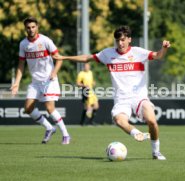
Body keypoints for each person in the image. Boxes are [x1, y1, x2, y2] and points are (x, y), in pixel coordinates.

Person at [60, 25, 170, 160]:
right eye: (117, 40)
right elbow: (86, 58)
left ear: (129, 39)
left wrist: (164, 48)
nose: (120, 43)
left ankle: (156, 152)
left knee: (152, 121)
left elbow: (158, 56)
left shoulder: (138, 52)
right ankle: (136, 133)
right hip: (121, 99)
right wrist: (64, 58)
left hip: (139, 97)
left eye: (123, 40)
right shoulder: (108, 54)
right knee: (119, 120)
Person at [10, 17, 70, 144]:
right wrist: (16, 82)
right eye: (28, 27)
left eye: (33, 27)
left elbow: (59, 58)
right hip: (35, 82)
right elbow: (21, 64)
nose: (31, 29)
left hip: (49, 80)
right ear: (25, 28)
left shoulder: (45, 40)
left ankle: (65, 135)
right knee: (27, 108)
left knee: (49, 108)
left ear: (37, 27)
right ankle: (49, 128)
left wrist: (54, 73)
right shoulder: (23, 44)